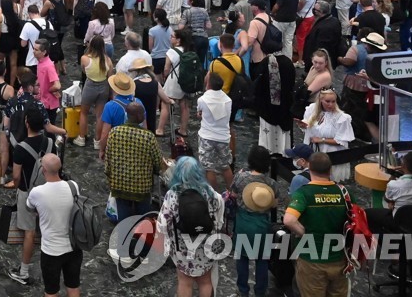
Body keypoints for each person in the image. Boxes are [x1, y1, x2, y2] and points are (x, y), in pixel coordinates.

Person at [283, 152, 350, 297]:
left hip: (311, 259)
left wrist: (305, 234)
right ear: (330, 170)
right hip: (339, 258)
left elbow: (289, 220)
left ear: (309, 167)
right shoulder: (344, 193)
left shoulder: (303, 193)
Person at [158, 156, 225, 297]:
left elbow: (163, 223)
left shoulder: (173, 195)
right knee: (206, 282)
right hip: (206, 245)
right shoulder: (211, 193)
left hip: (182, 247)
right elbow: (219, 220)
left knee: (184, 282)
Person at [6, 108, 54, 286]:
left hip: (28, 193)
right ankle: (49, 266)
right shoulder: (50, 143)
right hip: (48, 191)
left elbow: (16, 177)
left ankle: (24, 271)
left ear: (27, 123)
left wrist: (16, 187)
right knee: (47, 229)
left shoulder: (20, 148)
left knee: (29, 232)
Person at [229, 146, 285, 297]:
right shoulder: (272, 184)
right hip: (262, 224)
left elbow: (232, 194)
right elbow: (275, 203)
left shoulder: (241, 178)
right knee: (262, 260)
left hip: (243, 223)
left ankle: (243, 290)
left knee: (242, 258)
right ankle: (260, 291)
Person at [25, 153, 80, 297]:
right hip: (74, 247)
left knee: (51, 291)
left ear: (43, 170)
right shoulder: (73, 186)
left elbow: (30, 208)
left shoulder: (37, 192)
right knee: (73, 287)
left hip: (51, 251)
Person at [104, 101, 166, 221]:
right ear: (139, 117)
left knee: (123, 220)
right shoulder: (148, 136)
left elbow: (108, 160)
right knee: (143, 220)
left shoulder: (114, 132)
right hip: (141, 187)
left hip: (119, 185)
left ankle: (124, 237)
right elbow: (158, 163)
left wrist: (110, 176)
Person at [300, 89, 355, 183]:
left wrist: (321, 140)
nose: (331, 104)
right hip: (314, 152)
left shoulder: (342, 118)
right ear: (320, 101)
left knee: (329, 181)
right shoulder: (311, 110)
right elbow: (307, 126)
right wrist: (303, 125)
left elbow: (342, 141)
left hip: (331, 155)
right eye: (328, 101)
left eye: (333, 101)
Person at [74, 35, 112, 148]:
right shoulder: (108, 60)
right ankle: (97, 141)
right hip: (104, 87)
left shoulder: (85, 58)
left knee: (84, 113)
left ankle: (81, 138)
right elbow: (110, 77)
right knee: (100, 115)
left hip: (90, 86)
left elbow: (84, 71)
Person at [197, 74, 234, 190]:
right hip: (223, 137)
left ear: (208, 85)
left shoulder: (202, 99)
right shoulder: (228, 100)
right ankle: (232, 193)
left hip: (207, 136)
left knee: (209, 168)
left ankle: (214, 194)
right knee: (226, 166)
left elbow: (199, 113)